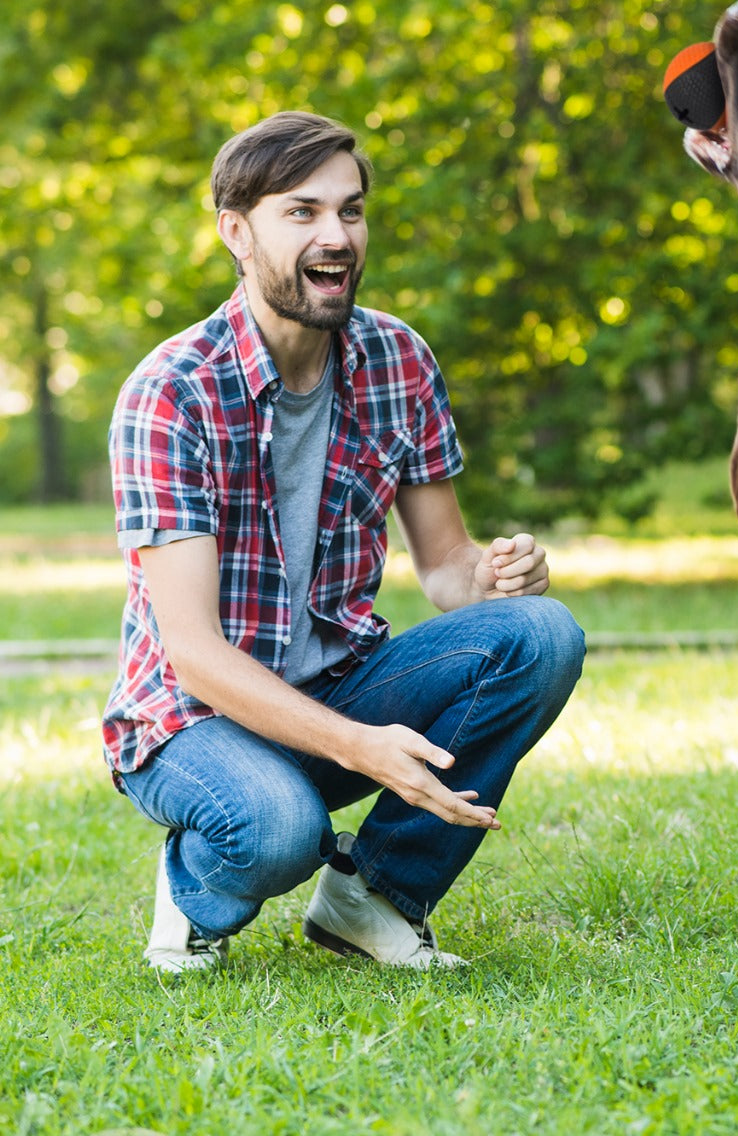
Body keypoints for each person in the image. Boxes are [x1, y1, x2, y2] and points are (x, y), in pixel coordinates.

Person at [104, 110, 585, 973]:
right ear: (236, 232)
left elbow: (445, 567)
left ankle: (375, 897)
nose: (337, 237)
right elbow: (194, 653)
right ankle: (193, 888)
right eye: (303, 213)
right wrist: (361, 748)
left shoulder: (397, 358)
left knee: (542, 635)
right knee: (280, 829)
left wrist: (498, 573)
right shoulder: (171, 394)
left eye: (351, 211)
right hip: (192, 721)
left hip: (338, 689)